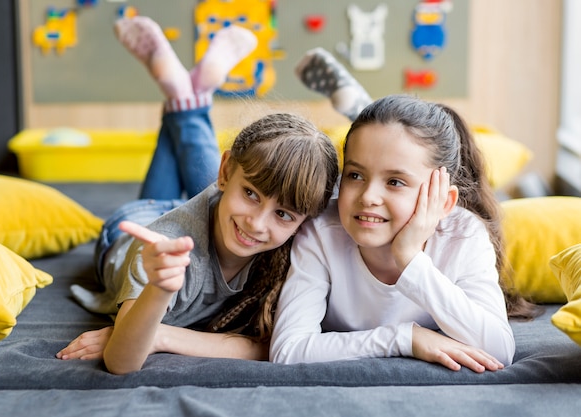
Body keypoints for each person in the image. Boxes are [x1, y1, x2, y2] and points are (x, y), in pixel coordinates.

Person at [56, 18, 339, 375]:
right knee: (216, 200)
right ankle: (190, 99)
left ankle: (184, 98)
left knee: (240, 187)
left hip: (204, 213)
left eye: (283, 214)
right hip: (133, 229)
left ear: (305, 218)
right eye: (251, 195)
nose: (257, 222)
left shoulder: (293, 235)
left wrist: (159, 335)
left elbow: (271, 345)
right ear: (223, 173)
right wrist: (159, 289)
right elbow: (121, 362)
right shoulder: (165, 245)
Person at [270, 50, 519, 372]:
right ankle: (358, 112)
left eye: (395, 181)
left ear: (443, 201)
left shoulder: (464, 234)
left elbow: (499, 349)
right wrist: (405, 338)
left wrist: (410, 259)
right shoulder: (321, 230)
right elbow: (288, 350)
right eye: (355, 175)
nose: (368, 196)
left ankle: (357, 105)